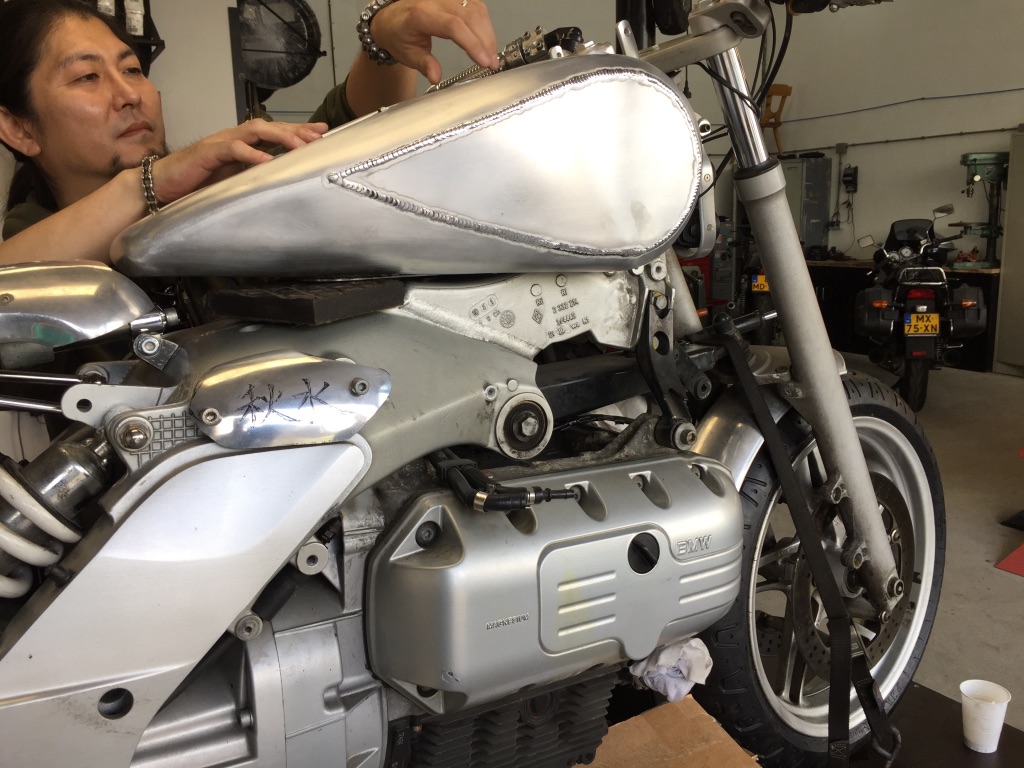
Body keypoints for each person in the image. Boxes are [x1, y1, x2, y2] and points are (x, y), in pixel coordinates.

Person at [0, 0, 498, 266]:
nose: (129, 94)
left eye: (132, 70)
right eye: (87, 77)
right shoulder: (31, 239)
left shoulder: (219, 180)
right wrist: (149, 184)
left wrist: (382, 42)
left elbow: (353, 124)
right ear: (19, 128)